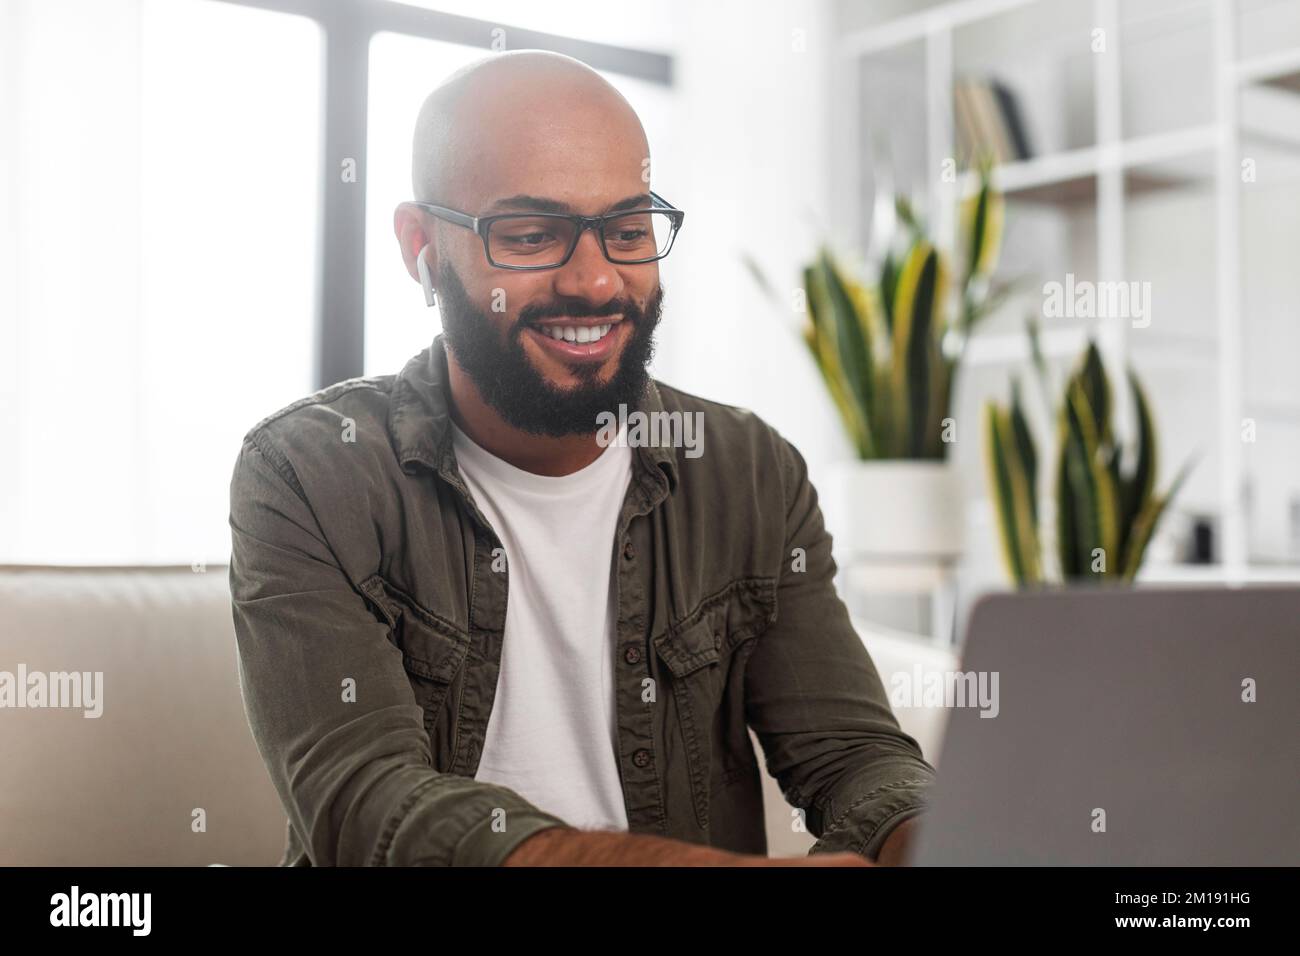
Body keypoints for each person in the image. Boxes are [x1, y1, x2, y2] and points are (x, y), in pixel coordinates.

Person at [228, 49, 933, 867]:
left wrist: (940, 843)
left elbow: (857, 761)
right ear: (421, 246)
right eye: (531, 236)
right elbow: (369, 807)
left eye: (628, 231)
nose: (597, 282)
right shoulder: (312, 476)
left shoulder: (750, 473)